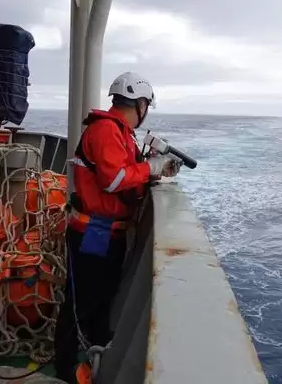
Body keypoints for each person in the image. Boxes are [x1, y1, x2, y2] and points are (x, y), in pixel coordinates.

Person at [54, 71, 178, 383]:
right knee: (82, 302)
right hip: (94, 232)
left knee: (102, 298)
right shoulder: (106, 130)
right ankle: (66, 368)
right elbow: (114, 180)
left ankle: (96, 353)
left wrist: (151, 169)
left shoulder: (119, 132)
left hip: (107, 232)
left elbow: (125, 173)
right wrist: (149, 167)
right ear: (140, 104)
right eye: (145, 106)